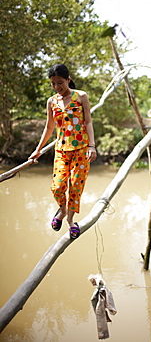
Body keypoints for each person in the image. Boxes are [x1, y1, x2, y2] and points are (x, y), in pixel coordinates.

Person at [29, 64, 97, 239]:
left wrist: (92, 146)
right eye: (53, 83)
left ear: (68, 80)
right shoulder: (52, 101)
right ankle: (63, 209)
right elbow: (49, 127)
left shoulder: (81, 97)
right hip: (61, 150)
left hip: (81, 150)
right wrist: (37, 151)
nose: (57, 87)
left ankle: (70, 221)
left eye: (60, 82)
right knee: (58, 187)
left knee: (75, 186)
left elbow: (88, 122)